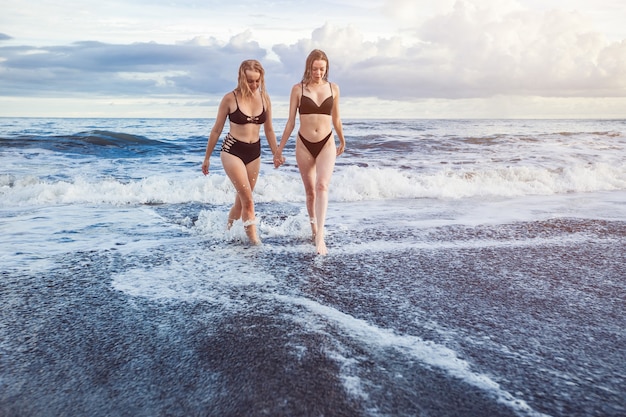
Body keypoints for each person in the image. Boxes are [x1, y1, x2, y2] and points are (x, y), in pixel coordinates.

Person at [201, 59, 282, 245]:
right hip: (232, 151)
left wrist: (276, 153)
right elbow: (216, 129)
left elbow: (269, 130)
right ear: (241, 78)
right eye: (250, 81)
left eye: (257, 81)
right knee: (249, 200)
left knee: (241, 202)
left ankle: (227, 234)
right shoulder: (230, 98)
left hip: (254, 152)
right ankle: (255, 243)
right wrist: (207, 158)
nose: (254, 85)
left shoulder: (264, 98)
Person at [274, 49, 346, 255]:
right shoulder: (298, 89)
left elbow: (337, 118)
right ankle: (313, 227)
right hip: (304, 143)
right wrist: (279, 149)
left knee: (322, 185)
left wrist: (342, 138)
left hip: (326, 142)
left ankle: (320, 236)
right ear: (309, 67)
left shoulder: (334, 88)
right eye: (315, 69)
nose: (318, 72)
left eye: (322, 69)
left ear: (326, 68)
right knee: (310, 191)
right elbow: (290, 122)